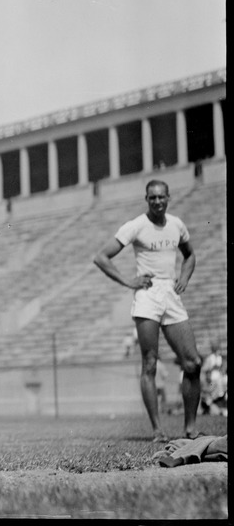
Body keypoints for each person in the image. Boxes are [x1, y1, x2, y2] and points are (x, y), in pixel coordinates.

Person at [93, 180, 203, 441]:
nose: (157, 202)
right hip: (147, 295)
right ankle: (157, 430)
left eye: (161, 197)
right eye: (152, 198)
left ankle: (190, 427)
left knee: (193, 362)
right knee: (150, 363)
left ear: (168, 197)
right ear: (146, 199)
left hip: (170, 294)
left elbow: (190, 255)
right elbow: (101, 257)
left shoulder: (176, 224)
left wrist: (184, 278)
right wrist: (128, 281)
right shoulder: (136, 226)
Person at [200, 339, 226, 416]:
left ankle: (219, 408)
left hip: (220, 379)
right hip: (212, 379)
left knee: (220, 394)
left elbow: (223, 369)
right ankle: (209, 407)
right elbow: (204, 369)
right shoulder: (210, 358)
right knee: (212, 394)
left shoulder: (220, 358)